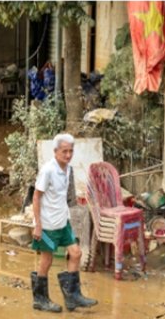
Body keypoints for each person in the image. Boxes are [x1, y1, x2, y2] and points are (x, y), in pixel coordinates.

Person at [30, 133, 98, 313]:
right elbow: (36, 197)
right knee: (47, 260)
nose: (68, 155)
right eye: (64, 151)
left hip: (62, 220)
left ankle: (72, 296)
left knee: (75, 253)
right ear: (55, 151)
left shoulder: (68, 169)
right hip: (47, 224)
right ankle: (40, 299)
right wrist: (37, 224)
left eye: (71, 151)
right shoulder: (48, 170)